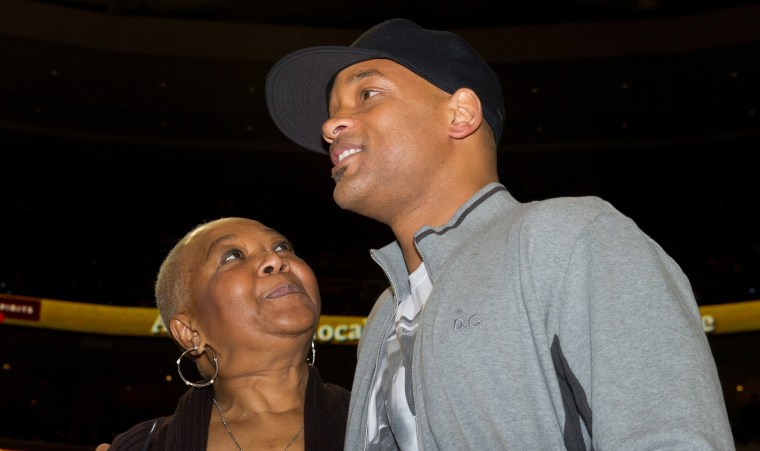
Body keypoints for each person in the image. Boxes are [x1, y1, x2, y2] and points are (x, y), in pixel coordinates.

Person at [264, 18, 735, 450]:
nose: (330, 127)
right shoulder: (384, 313)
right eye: (333, 111)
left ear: (460, 113)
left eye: (367, 94)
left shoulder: (570, 240)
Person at [96, 217, 349, 450]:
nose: (275, 260)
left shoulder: (380, 416)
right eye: (232, 256)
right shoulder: (144, 446)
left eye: (282, 247)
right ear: (189, 333)